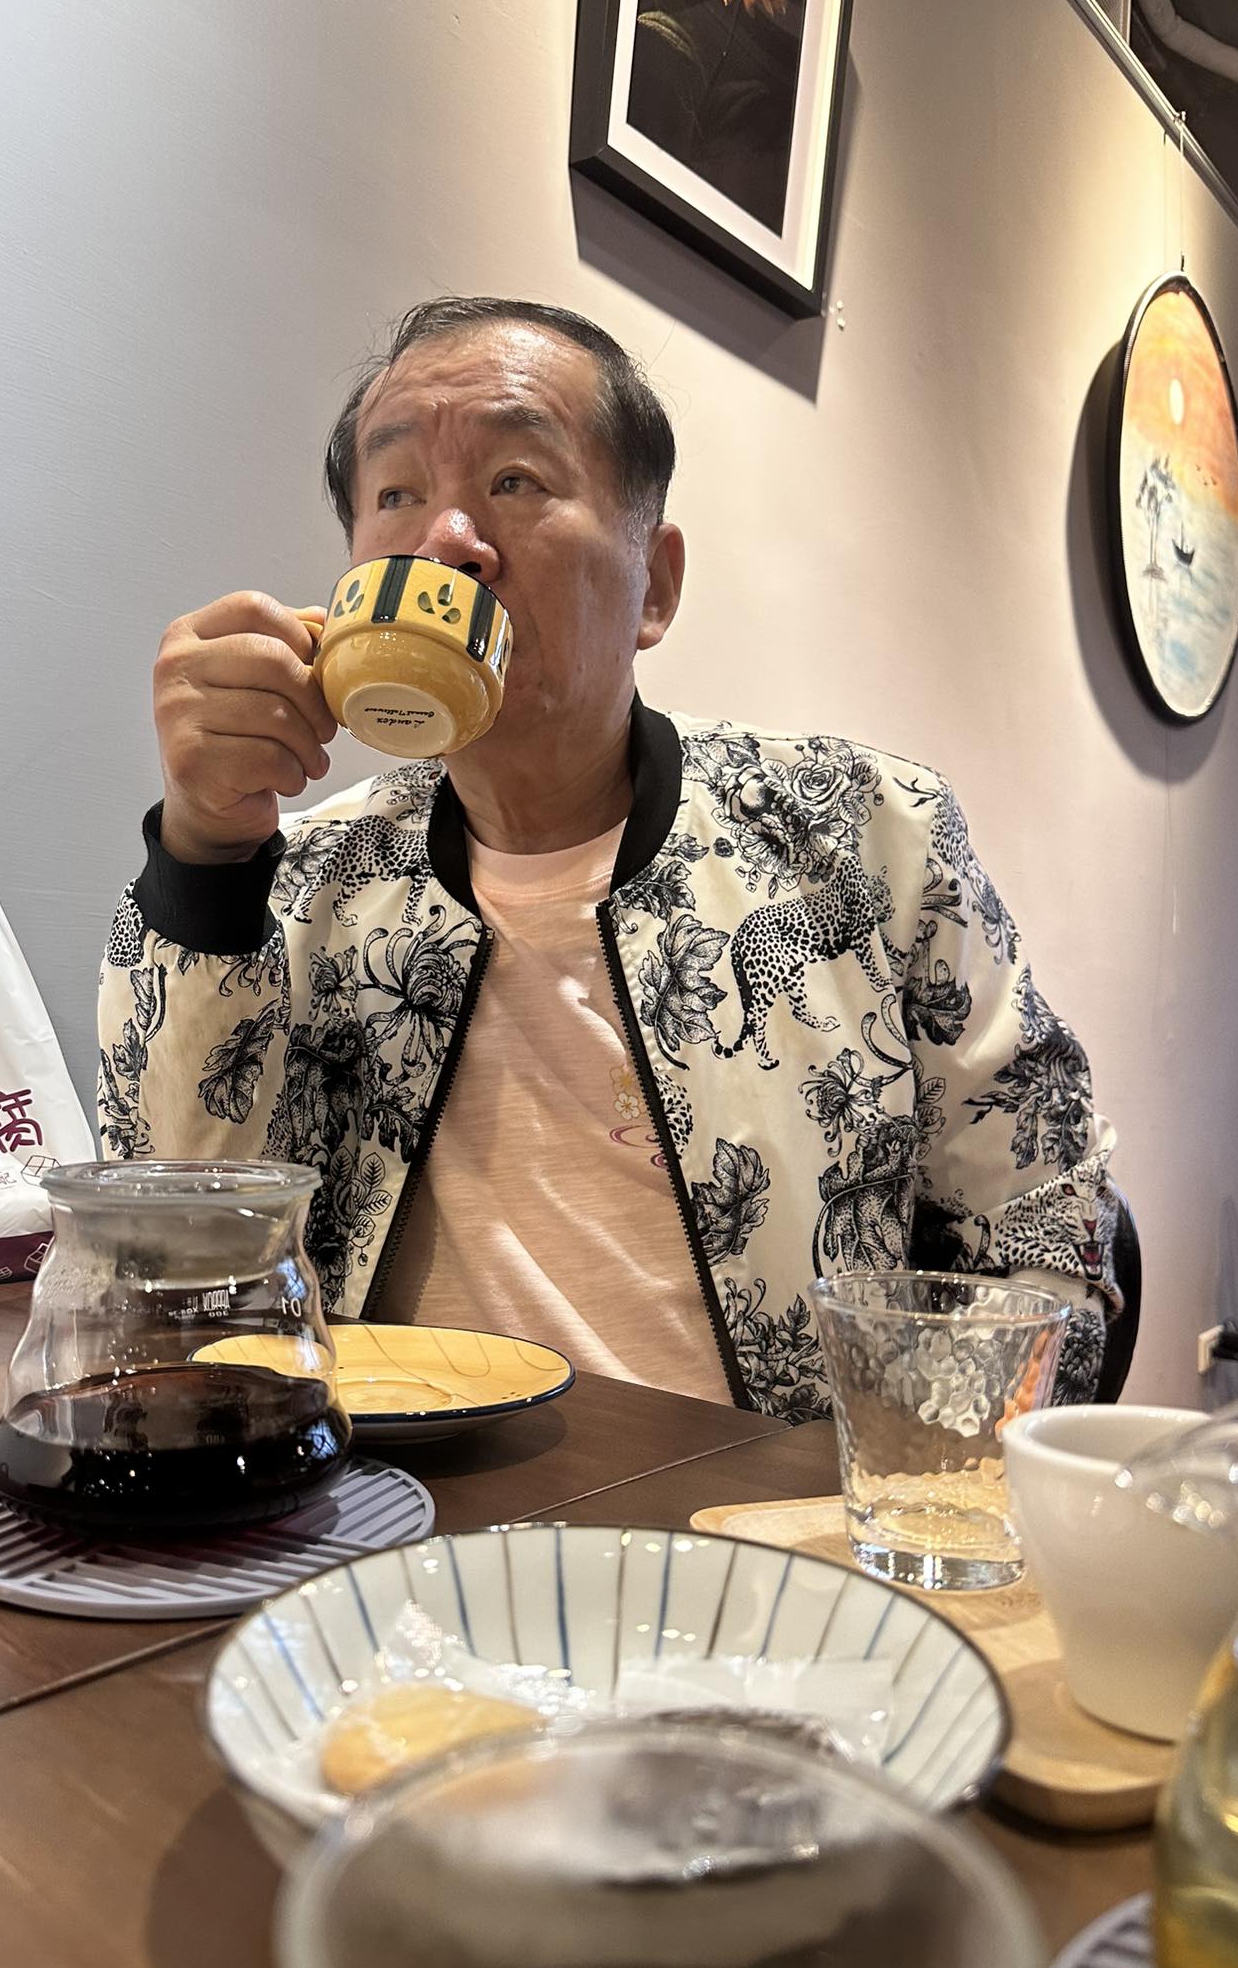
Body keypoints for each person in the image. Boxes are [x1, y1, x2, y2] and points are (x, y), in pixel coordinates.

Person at [99, 296, 1118, 1420]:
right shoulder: (296, 879)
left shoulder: (870, 836)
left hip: (771, 1513)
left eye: (515, 481)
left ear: (655, 584)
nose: (448, 541)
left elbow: (1042, 1227)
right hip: (385, 1498)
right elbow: (168, 1261)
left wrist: (909, 1485)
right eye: (396, 495)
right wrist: (205, 853)